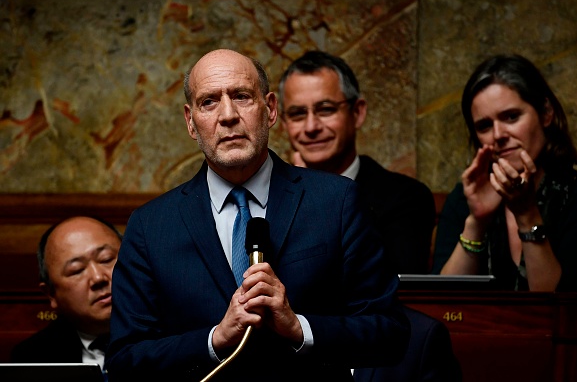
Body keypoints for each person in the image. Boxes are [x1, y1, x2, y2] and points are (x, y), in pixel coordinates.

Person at [105, 49, 409, 381]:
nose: (228, 115)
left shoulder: (336, 201)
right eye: (209, 102)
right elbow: (124, 361)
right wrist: (215, 339)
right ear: (191, 122)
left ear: (271, 109)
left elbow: (390, 333)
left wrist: (298, 327)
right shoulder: (150, 227)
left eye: (241, 96)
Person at [432, 54, 577, 292]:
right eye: (484, 126)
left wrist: (527, 215)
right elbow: (445, 306)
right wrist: (476, 222)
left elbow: (561, 315)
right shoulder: (463, 200)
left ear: (546, 113)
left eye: (511, 117)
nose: (498, 134)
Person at [278, 50, 436, 274]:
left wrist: (315, 205)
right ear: (284, 123)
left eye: (326, 110)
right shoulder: (270, 196)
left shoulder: (406, 198)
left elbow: (387, 290)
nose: (311, 127)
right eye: (297, 114)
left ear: (357, 113)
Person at [10, 216, 122, 370]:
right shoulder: (31, 360)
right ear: (50, 294)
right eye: (76, 270)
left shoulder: (167, 335)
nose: (98, 278)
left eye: (106, 259)